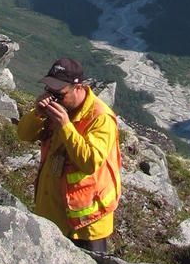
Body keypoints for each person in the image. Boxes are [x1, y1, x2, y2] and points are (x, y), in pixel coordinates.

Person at [16, 57, 120, 252]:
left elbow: (90, 162)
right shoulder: (55, 110)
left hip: (86, 225)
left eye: (59, 94)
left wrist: (65, 126)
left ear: (77, 87)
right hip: (52, 215)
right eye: (49, 91)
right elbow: (23, 134)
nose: (53, 98)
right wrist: (37, 114)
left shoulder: (100, 117)